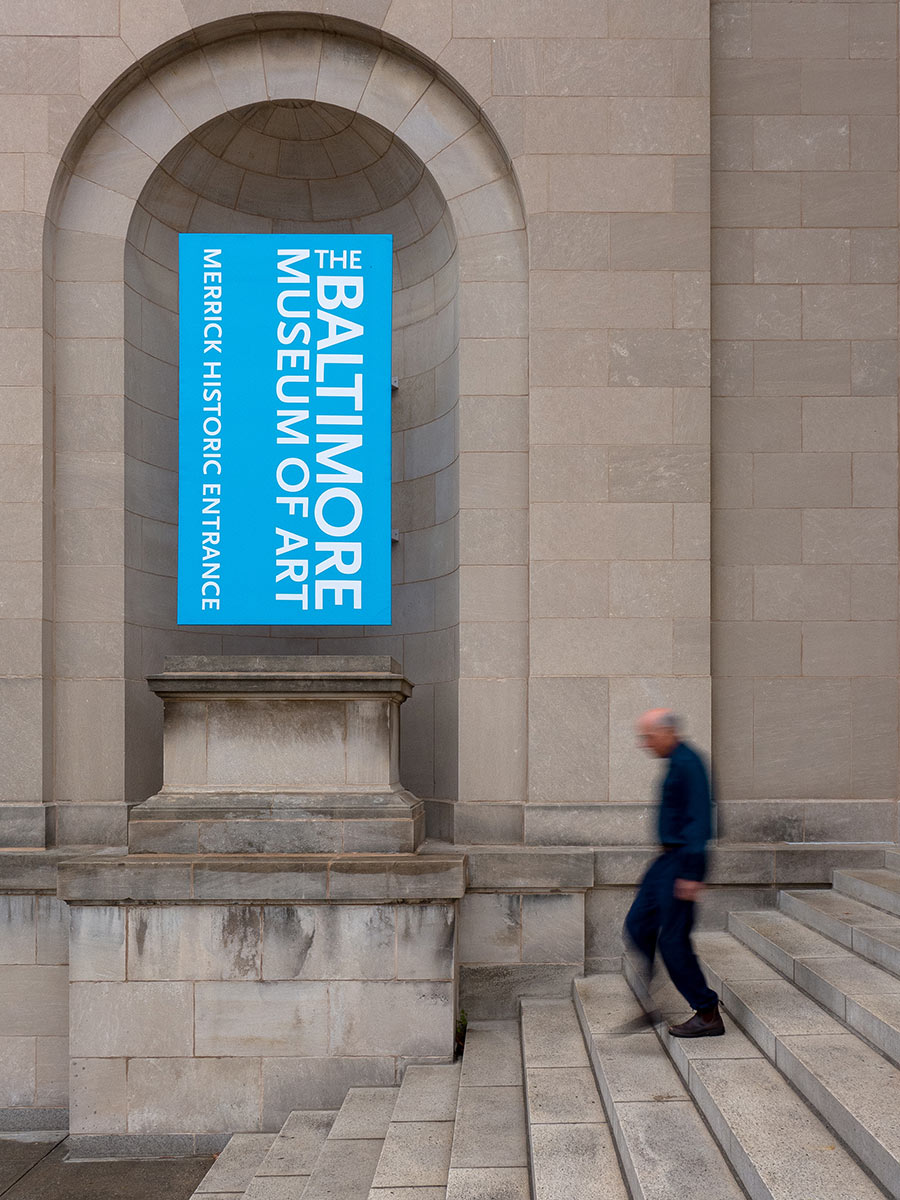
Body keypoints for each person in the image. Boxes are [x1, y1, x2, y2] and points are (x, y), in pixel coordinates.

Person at [623, 708, 724, 1038]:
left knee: (673, 940)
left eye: (649, 737)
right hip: (666, 861)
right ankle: (654, 989)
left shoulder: (689, 763)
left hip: (683, 861)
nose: (644, 744)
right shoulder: (676, 761)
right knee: (637, 923)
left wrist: (692, 872)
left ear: (667, 733)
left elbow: (700, 818)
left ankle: (707, 1011)